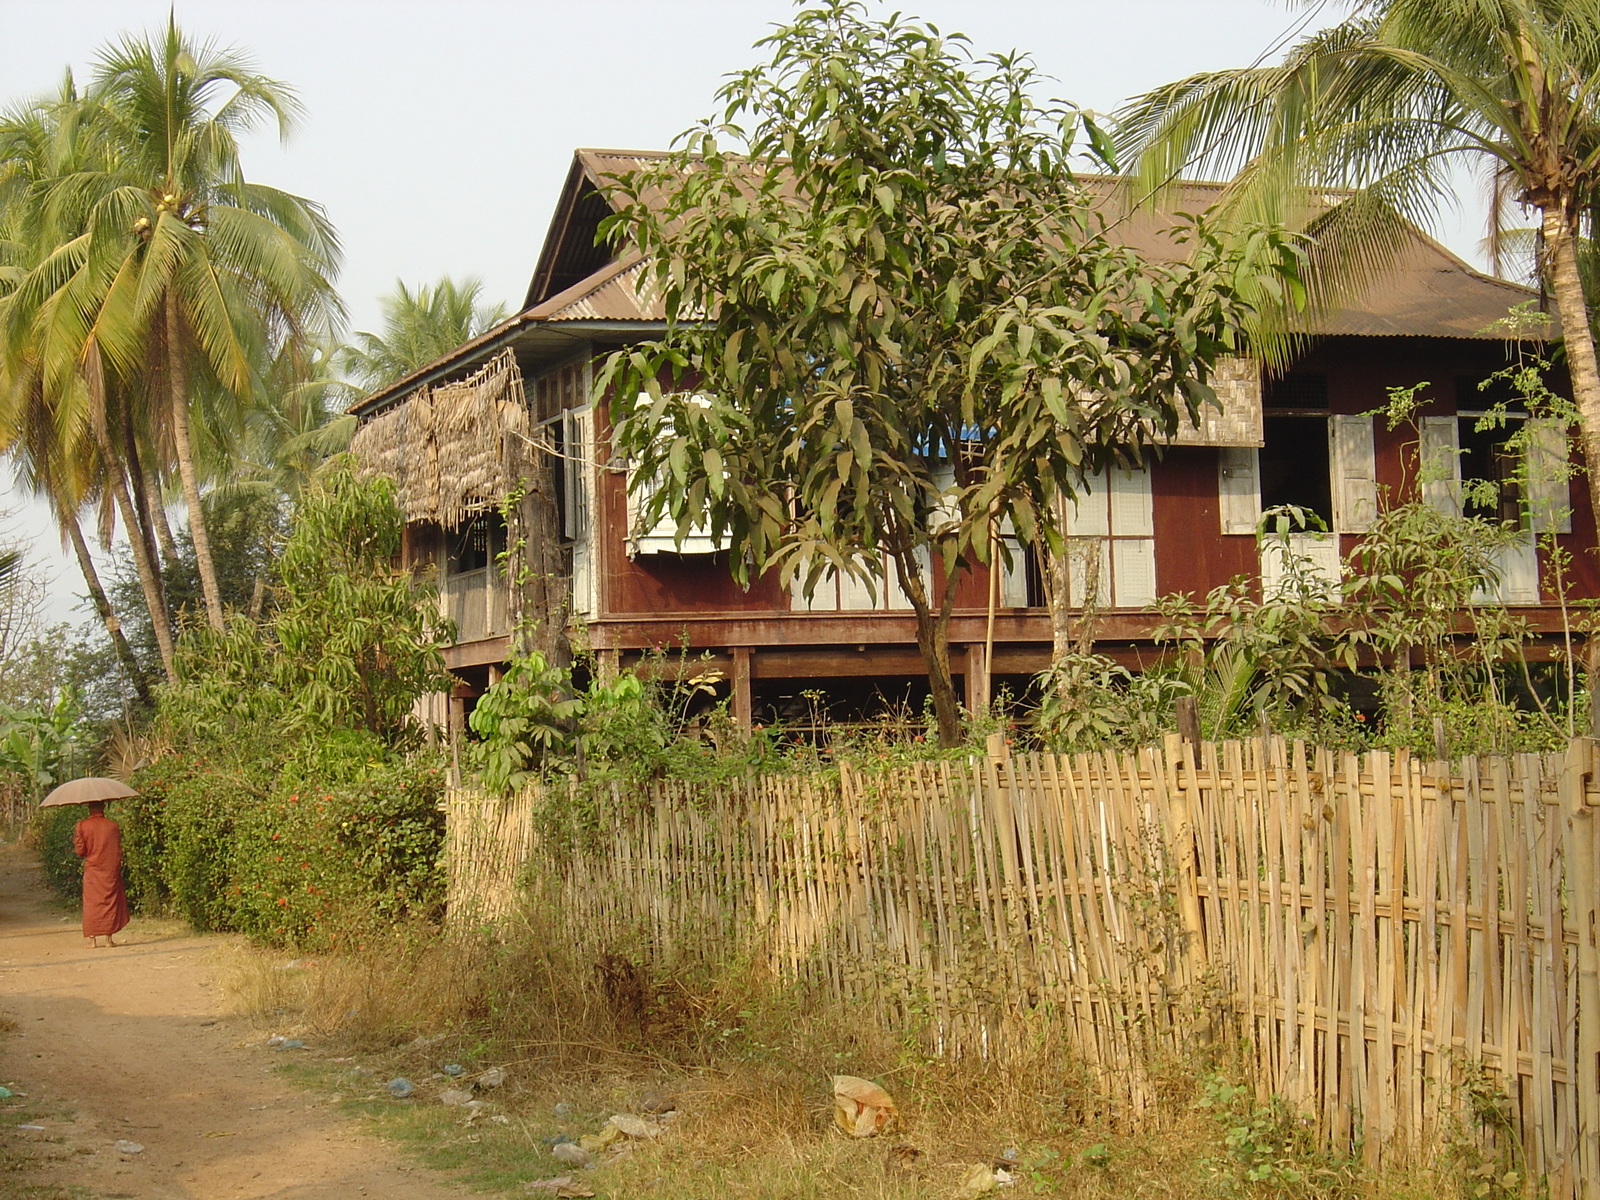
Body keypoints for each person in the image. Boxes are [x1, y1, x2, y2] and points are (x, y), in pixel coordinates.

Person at [73, 801, 129, 948]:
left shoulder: (82, 826)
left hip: (93, 869)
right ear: (103, 807)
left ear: (89, 808)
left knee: (92, 902)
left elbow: (80, 851)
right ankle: (108, 939)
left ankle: (93, 940)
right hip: (110, 869)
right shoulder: (113, 826)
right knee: (110, 901)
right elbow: (117, 850)